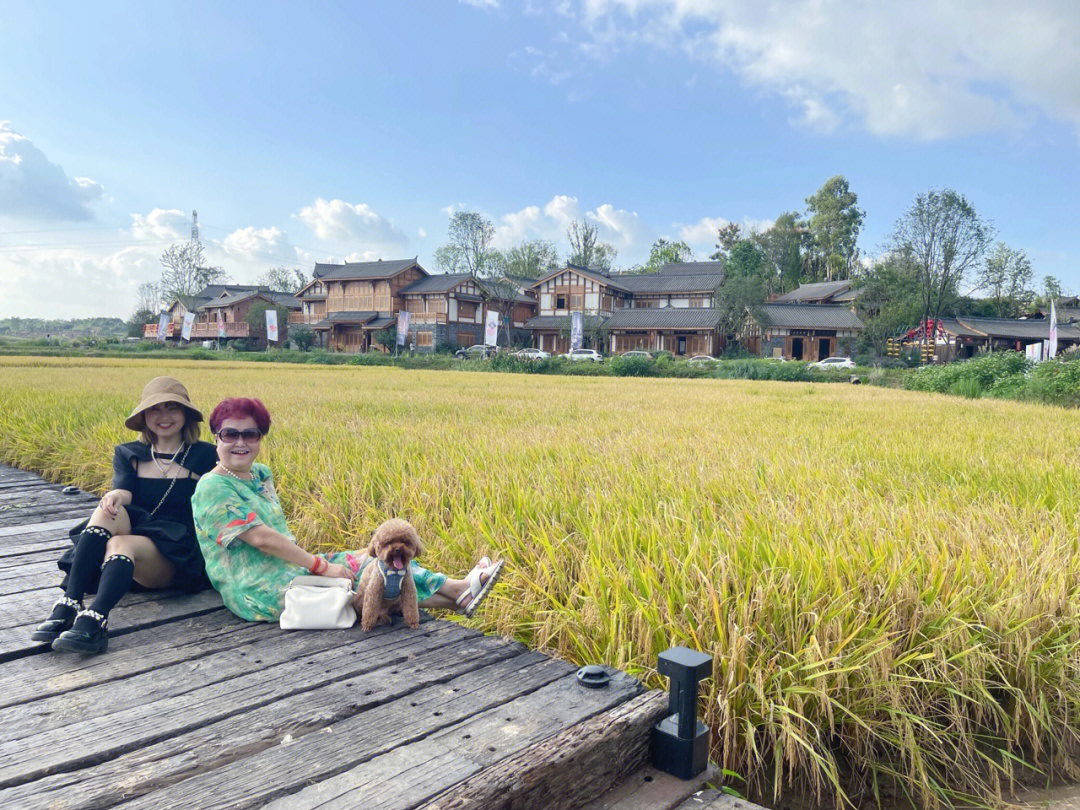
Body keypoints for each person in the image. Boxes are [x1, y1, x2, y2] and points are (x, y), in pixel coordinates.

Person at [191, 397, 503, 623]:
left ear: (260, 439)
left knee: (373, 560)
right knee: (363, 580)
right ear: (216, 438)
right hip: (261, 590)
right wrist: (320, 566)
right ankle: (457, 593)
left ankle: (458, 594)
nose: (240, 442)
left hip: (292, 569)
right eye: (230, 434)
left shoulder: (260, 474)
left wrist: (317, 565)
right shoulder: (212, 487)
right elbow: (262, 539)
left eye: (250, 434)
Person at [33, 377, 218, 654]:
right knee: (108, 509)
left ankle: (96, 619)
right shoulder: (129, 453)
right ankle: (70, 601)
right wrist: (115, 496)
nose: (164, 416)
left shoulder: (205, 455)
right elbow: (125, 491)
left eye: (172, 408)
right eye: (155, 409)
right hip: (130, 553)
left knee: (120, 544)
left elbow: (230, 482)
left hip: (176, 553)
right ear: (144, 416)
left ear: (186, 414)